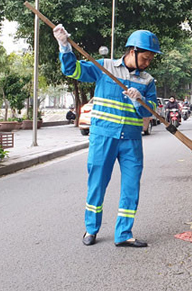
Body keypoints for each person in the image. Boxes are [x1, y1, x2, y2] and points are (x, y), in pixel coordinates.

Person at [54, 25, 160, 248]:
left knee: (131, 186)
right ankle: (91, 229)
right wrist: (64, 45)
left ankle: (124, 233)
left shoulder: (148, 81)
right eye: (146, 57)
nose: (148, 62)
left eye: (151, 59)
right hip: (103, 137)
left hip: (131, 139)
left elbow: (150, 111)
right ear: (133, 51)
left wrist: (139, 99)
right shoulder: (105, 67)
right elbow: (72, 70)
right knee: (97, 184)